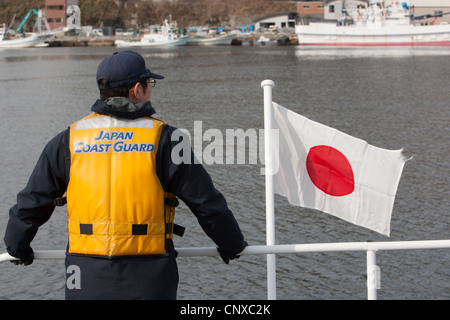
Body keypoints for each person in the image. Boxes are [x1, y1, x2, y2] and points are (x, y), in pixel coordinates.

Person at [4, 50, 247, 300]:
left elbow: (32, 201)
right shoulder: (167, 139)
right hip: (150, 273)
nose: (150, 89)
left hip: (85, 271)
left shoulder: (69, 139)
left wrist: (17, 246)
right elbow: (205, 201)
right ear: (136, 89)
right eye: (149, 83)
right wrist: (231, 244)